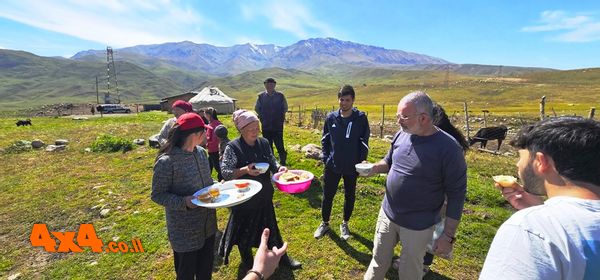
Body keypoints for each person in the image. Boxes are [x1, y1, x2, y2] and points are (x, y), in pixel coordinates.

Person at [363, 91, 467, 280]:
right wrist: (373, 168)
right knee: (378, 262)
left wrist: (448, 235)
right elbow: (389, 161)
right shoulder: (401, 135)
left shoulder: (449, 149)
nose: (398, 121)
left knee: (410, 272)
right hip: (388, 214)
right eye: (397, 116)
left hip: (418, 226)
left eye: (403, 116)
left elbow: (457, 194)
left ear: (424, 118)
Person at [480, 117, 600, 279]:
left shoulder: (533, 228)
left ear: (540, 161)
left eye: (520, 157)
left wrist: (541, 217)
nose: (517, 165)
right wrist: (541, 208)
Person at [392, 103, 470, 276]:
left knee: (431, 228)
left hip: (439, 195)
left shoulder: (447, 142)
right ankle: (416, 259)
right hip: (431, 194)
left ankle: (424, 263)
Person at [218, 109, 302, 270]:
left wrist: (279, 168)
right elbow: (226, 173)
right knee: (243, 233)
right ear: (241, 130)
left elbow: (271, 160)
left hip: (263, 196)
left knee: (271, 231)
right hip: (243, 199)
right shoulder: (233, 147)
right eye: (251, 129)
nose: (255, 132)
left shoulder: (263, 143)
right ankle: (247, 260)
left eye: (257, 128)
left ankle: (282, 257)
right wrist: (245, 170)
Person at [151, 112, 216, 280]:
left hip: (208, 225)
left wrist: (220, 187)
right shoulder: (167, 161)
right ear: (195, 135)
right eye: (204, 131)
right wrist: (184, 202)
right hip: (185, 231)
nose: (206, 135)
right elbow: (158, 195)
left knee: (205, 272)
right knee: (185, 274)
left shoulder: (201, 153)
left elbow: (207, 181)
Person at [314, 85, 370, 241]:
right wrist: (325, 158)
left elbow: (364, 141)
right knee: (328, 195)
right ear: (338, 100)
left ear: (353, 100)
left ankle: (345, 223)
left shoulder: (360, 118)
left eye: (347, 100)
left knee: (350, 196)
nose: (343, 103)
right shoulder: (331, 118)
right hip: (333, 165)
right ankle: (325, 223)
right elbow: (325, 139)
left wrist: (362, 161)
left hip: (352, 166)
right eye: (341, 99)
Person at [255, 77, 288, 165]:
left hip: (277, 125)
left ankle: (283, 161)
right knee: (268, 145)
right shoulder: (261, 97)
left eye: (271, 85)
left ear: (274, 85)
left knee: (279, 144)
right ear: (265, 85)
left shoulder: (280, 96)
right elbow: (257, 108)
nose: (269, 86)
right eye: (268, 85)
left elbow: (285, 108)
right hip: (266, 125)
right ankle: (272, 162)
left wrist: (279, 116)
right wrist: (263, 117)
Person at [203, 107, 224, 181]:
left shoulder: (213, 125)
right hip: (215, 148)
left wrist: (207, 142)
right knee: (209, 165)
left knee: (218, 167)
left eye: (205, 114)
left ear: (209, 115)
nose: (204, 116)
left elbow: (215, 139)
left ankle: (222, 180)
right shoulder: (215, 123)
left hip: (214, 149)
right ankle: (207, 178)